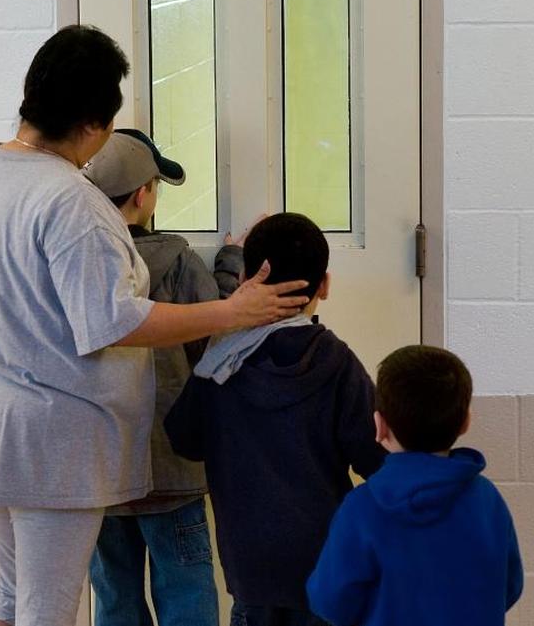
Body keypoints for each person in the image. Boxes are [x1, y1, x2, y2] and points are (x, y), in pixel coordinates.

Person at [0, 25, 310, 626]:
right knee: (44, 609)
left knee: (9, 596)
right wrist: (234, 310)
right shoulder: (70, 200)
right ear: (95, 124)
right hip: (52, 443)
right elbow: (112, 321)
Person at [165, 213, 387, 626]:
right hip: (327, 566)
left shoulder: (221, 366)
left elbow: (184, 438)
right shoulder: (337, 363)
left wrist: (214, 350)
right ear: (325, 285)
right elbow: (376, 460)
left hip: (251, 571)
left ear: (247, 278)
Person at [83, 128, 247, 626]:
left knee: (114, 600)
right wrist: (233, 258)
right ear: (144, 195)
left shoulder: (81, 258)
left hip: (100, 471)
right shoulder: (175, 259)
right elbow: (216, 327)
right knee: (187, 592)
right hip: (170, 471)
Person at [306, 345, 525, 626]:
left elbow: (330, 601)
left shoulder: (362, 508)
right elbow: (510, 585)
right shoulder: (487, 500)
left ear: (379, 426)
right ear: (465, 422)